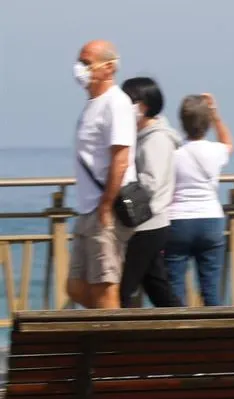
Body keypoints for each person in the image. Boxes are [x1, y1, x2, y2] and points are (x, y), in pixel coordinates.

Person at [67, 40, 137, 309]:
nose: (80, 68)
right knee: (76, 287)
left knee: (104, 291)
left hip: (103, 209)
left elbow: (121, 158)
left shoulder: (116, 103)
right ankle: (104, 337)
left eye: (87, 63)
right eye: (80, 61)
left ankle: (115, 347)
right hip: (87, 208)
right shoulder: (93, 103)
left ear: (109, 68)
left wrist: (106, 205)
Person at [119, 77, 183, 308]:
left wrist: (121, 191)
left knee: (121, 290)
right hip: (151, 224)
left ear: (142, 106)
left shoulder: (156, 139)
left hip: (148, 224)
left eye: (127, 102)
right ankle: (189, 334)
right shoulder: (144, 137)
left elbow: (151, 183)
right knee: (158, 290)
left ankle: (119, 340)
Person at [164, 93, 233, 306]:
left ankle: (178, 334)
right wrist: (216, 115)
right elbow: (228, 143)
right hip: (210, 220)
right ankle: (215, 335)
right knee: (210, 288)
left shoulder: (173, 152)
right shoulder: (215, 151)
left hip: (178, 221)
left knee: (174, 287)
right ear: (207, 123)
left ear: (182, 122)